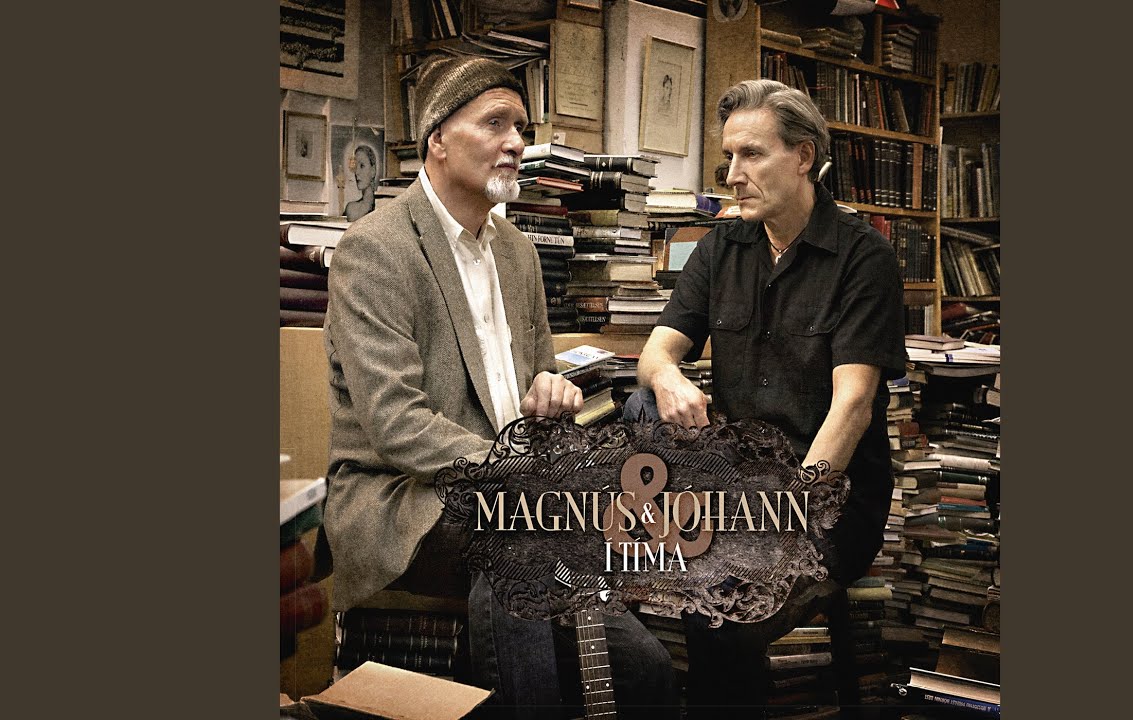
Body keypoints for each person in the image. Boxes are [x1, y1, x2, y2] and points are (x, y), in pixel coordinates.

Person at [318, 55, 674, 720]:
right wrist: (521, 474)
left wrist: (551, 396)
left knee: (646, 672)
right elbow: (396, 425)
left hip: (518, 504)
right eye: (495, 123)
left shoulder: (517, 252)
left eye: (521, 128)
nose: (515, 142)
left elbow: (538, 383)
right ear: (438, 138)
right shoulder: (376, 249)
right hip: (403, 499)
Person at [628, 78, 906, 718]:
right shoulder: (721, 247)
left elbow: (853, 406)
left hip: (827, 501)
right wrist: (669, 379)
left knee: (723, 607)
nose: (733, 175)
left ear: (803, 156)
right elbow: (654, 355)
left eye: (751, 154)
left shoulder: (863, 258)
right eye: (728, 156)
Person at [342, 143, 378, 221]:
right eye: (355, 167)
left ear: (373, 170)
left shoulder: (381, 207)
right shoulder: (351, 208)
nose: (357, 172)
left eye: (362, 166)